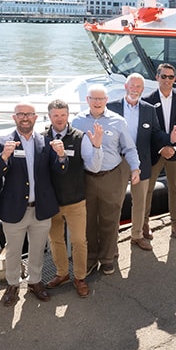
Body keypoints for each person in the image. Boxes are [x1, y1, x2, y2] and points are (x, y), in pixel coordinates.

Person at [0, 102, 68, 307]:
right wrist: (5, 156)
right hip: (14, 208)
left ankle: (35, 282)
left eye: (29, 114)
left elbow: (59, 170)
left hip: (41, 208)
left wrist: (61, 156)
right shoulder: (2, 142)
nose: (25, 117)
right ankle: (12, 285)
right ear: (14, 118)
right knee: (14, 251)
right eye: (20, 114)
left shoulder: (46, 142)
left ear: (35, 118)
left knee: (37, 249)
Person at [108, 74, 176, 251]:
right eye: (132, 85)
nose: (135, 89)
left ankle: (136, 236)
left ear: (142, 90)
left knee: (140, 200)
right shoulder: (112, 107)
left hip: (141, 160)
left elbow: (156, 133)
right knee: (116, 201)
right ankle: (112, 242)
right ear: (126, 86)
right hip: (118, 161)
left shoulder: (148, 109)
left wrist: (169, 138)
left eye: (139, 87)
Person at [72, 84, 141, 275]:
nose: (97, 102)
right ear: (87, 100)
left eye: (100, 99)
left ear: (106, 100)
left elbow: (129, 148)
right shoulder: (77, 122)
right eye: (93, 98)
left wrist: (135, 167)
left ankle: (108, 258)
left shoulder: (117, 122)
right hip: (86, 178)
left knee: (110, 220)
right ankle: (91, 258)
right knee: (88, 221)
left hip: (111, 176)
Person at [43, 99, 103, 298]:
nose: (59, 119)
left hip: (75, 200)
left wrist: (96, 147)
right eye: (55, 115)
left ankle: (79, 277)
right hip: (52, 201)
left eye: (63, 115)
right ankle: (62, 274)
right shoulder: (42, 138)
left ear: (68, 115)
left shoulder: (79, 137)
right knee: (56, 241)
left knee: (79, 241)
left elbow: (93, 166)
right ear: (49, 116)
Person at [142, 63, 176, 240]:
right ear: (157, 77)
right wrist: (162, 148)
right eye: (163, 76)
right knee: (148, 188)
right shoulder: (147, 100)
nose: (167, 80)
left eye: (170, 77)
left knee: (175, 188)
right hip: (156, 152)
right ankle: (144, 223)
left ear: (174, 79)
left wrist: (174, 147)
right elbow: (146, 130)